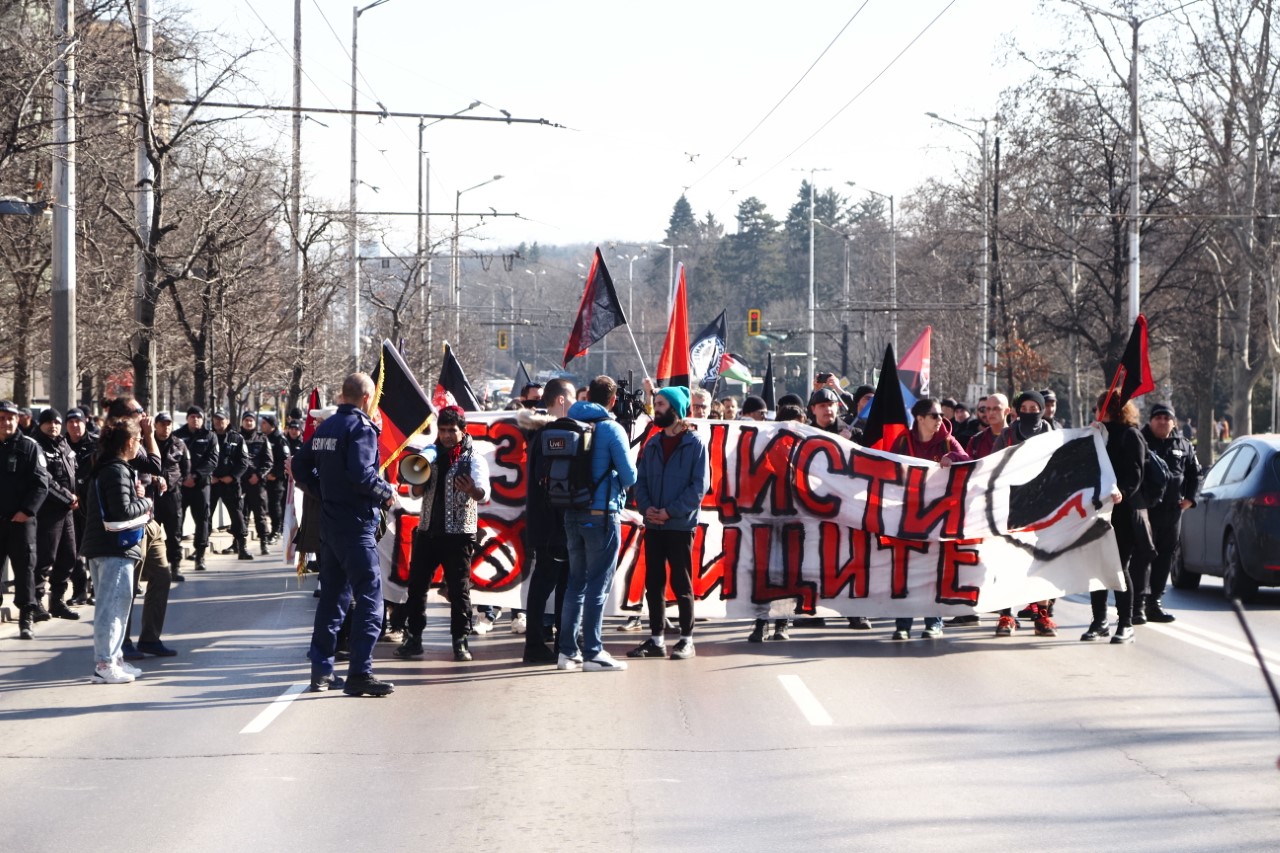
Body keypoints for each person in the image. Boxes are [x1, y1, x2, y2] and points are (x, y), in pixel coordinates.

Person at [292, 373, 397, 696]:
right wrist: (386, 492)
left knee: (333, 600)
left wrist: (320, 489)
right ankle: (360, 674)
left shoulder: (326, 427)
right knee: (370, 598)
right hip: (356, 525)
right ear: (367, 398)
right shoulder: (361, 429)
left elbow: (299, 465)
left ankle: (321, 671)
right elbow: (362, 473)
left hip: (330, 525)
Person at [397, 406, 491, 662]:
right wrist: (418, 481)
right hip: (428, 531)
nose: (447, 435)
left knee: (459, 591)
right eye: (443, 430)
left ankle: (460, 642)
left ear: (463, 431)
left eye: (452, 430)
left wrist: (473, 491)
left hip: (459, 535)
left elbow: (484, 494)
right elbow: (414, 494)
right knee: (417, 588)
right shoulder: (430, 455)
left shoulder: (474, 459)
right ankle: (413, 638)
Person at [558, 375, 638, 672]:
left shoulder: (568, 423)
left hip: (571, 512)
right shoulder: (611, 429)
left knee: (574, 584)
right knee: (597, 585)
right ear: (613, 400)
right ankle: (593, 652)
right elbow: (630, 477)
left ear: (588, 395)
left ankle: (567, 652)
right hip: (601, 514)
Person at [627, 386, 711, 661]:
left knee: (681, 582)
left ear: (675, 408)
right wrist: (647, 506)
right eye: (655, 403)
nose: (656, 408)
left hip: (679, 526)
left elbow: (699, 487)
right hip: (653, 525)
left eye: (661, 403)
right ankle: (656, 639)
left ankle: (686, 639)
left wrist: (670, 512)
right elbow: (641, 482)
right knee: (654, 583)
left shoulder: (695, 443)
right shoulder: (652, 443)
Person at [888, 398, 970, 640]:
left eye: (940, 416)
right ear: (920, 418)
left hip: (937, 517)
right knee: (905, 571)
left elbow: (967, 459)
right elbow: (887, 468)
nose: (940, 420)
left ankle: (934, 622)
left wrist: (953, 458)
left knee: (934, 570)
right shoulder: (903, 441)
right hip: (908, 515)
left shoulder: (946, 440)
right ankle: (903, 624)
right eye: (934, 415)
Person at [80, 417, 151, 684]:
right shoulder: (117, 470)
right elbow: (121, 511)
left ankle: (114, 659)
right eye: (140, 440)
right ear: (130, 442)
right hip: (115, 548)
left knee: (113, 607)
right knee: (112, 609)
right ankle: (105, 663)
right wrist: (144, 502)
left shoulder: (104, 467)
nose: (140, 445)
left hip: (103, 546)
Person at [1084, 390, 1151, 645]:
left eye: (1099, 406)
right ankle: (1099, 621)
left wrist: (1121, 492)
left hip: (1122, 511)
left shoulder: (1130, 435)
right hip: (1097, 510)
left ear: (1110, 408)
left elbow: (1136, 473)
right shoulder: (1097, 433)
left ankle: (1125, 623)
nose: (1096, 410)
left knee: (1118, 567)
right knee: (1096, 566)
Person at [992, 391, 1059, 638]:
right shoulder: (1007, 435)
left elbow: (1064, 465)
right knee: (1009, 562)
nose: (1030, 411)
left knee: (1041, 562)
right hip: (1011, 507)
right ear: (1017, 410)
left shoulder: (1053, 435)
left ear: (1042, 410)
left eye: (1035, 407)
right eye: (1026, 407)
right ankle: (1006, 615)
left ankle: (1042, 616)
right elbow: (992, 465)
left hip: (1044, 509)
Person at [517, 378, 575, 663]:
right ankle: (539, 643)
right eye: (573, 398)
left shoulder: (543, 433)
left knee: (556, 582)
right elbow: (552, 481)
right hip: (553, 523)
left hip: (547, 521)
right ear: (562, 400)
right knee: (548, 582)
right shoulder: (552, 435)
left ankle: (553, 640)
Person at [1132, 403, 1201, 624]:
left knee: (1164, 558)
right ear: (1150, 420)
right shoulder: (1139, 441)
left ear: (1174, 422)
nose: (1162, 421)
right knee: (1142, 556)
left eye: (1167, 418)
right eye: (1158, 417)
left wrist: (1191, 498)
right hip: (1144, 511)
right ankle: (1137, 606)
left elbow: (1194, 473)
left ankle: (1155, 604)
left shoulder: (1183, 445)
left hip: (1172, 512)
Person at [0, 399, 49, 639]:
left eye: (10, 417)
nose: (6, 422)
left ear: (17, 419)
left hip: (21, 521)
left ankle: (26, 617)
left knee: (25, 569)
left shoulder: (29, 447)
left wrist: (27, 511)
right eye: (1, 418)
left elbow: (41, 483)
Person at [33, 408, 81, 621]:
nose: (53, 426)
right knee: (45, 558)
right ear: (40, 424)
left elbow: (74, 472)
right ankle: (35, 602)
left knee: (69, 556)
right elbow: (44, 480)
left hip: (67, 512)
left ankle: (58, 601)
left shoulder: (64, 444)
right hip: (48, 512)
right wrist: (67, 497)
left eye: (56, 422)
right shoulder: (36, 446)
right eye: (48, 422)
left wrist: (75, 496)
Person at [174, 406, 218, 571]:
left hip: (201, 485)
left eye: (198, 417)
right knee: (176, 520)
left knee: (203, 520)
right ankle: (175, 560)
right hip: (181, 485)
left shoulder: (209, 436)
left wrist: (196, 476)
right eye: (192, 417)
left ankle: (200, 555)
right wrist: (184, 477)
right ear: (187, 419)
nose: (195, 420)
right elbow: (172, 459)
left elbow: (213, 460)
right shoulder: (177, 436)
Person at [153, 412, 191, 582]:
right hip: (151, 495)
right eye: (162, 424)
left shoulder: (179, 444)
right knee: (151, 534)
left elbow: (185, 468)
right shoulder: (147, 442)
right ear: (155, 425)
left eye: (168, 424)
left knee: (174, 531)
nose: (165, 427)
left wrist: (176, 483)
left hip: (172, 494)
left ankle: (175, 566)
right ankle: (151, 570)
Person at [210, 410, 253, 560]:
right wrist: (209, 476)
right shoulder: (208, 437)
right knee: (205, 515)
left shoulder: (236, 438)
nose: (218, 422)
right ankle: (200, 551)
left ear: (227, 421)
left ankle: (242, 547)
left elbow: (243, 462)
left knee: (237, 515)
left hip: (231, 484)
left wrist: (233, 477)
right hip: (212, 483)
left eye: (221, 420)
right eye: (216, 419)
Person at [64, 408, 96, 605]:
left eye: (79, 421)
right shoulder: (61, 445)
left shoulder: (97, 446)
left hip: (91, 504)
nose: (75, 426)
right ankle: (79, 590)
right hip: (68, 504)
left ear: (85, 423)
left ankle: (95, 588)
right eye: (71, 422)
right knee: (72, 551)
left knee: (93, 549)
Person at [238, 412, 274, 556]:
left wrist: (258, 475)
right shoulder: (236, 438)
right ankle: (241, 545)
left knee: (260, 515)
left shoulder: (262, 438)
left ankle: (264, 543)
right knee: (242, 515)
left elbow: (268, 461)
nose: (248, 423)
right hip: (240, 482)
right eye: (246, 420)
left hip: (257, 483)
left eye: (251, 420)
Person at [260, 414, 290, 545]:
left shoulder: (279, 439)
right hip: (263, 477)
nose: (262, 426)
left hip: (275, 479)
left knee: (274, 505)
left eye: (264, 423)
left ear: (272, 425)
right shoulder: (262, 438)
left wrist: (275, 474)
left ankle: (276, 530)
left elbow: (285, 459)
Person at [966, 393, 1010, 460]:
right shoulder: (975, 441)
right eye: (988, 409)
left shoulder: (1016, 437)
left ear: (1007, 411)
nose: (991, 412)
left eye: (996, 408)